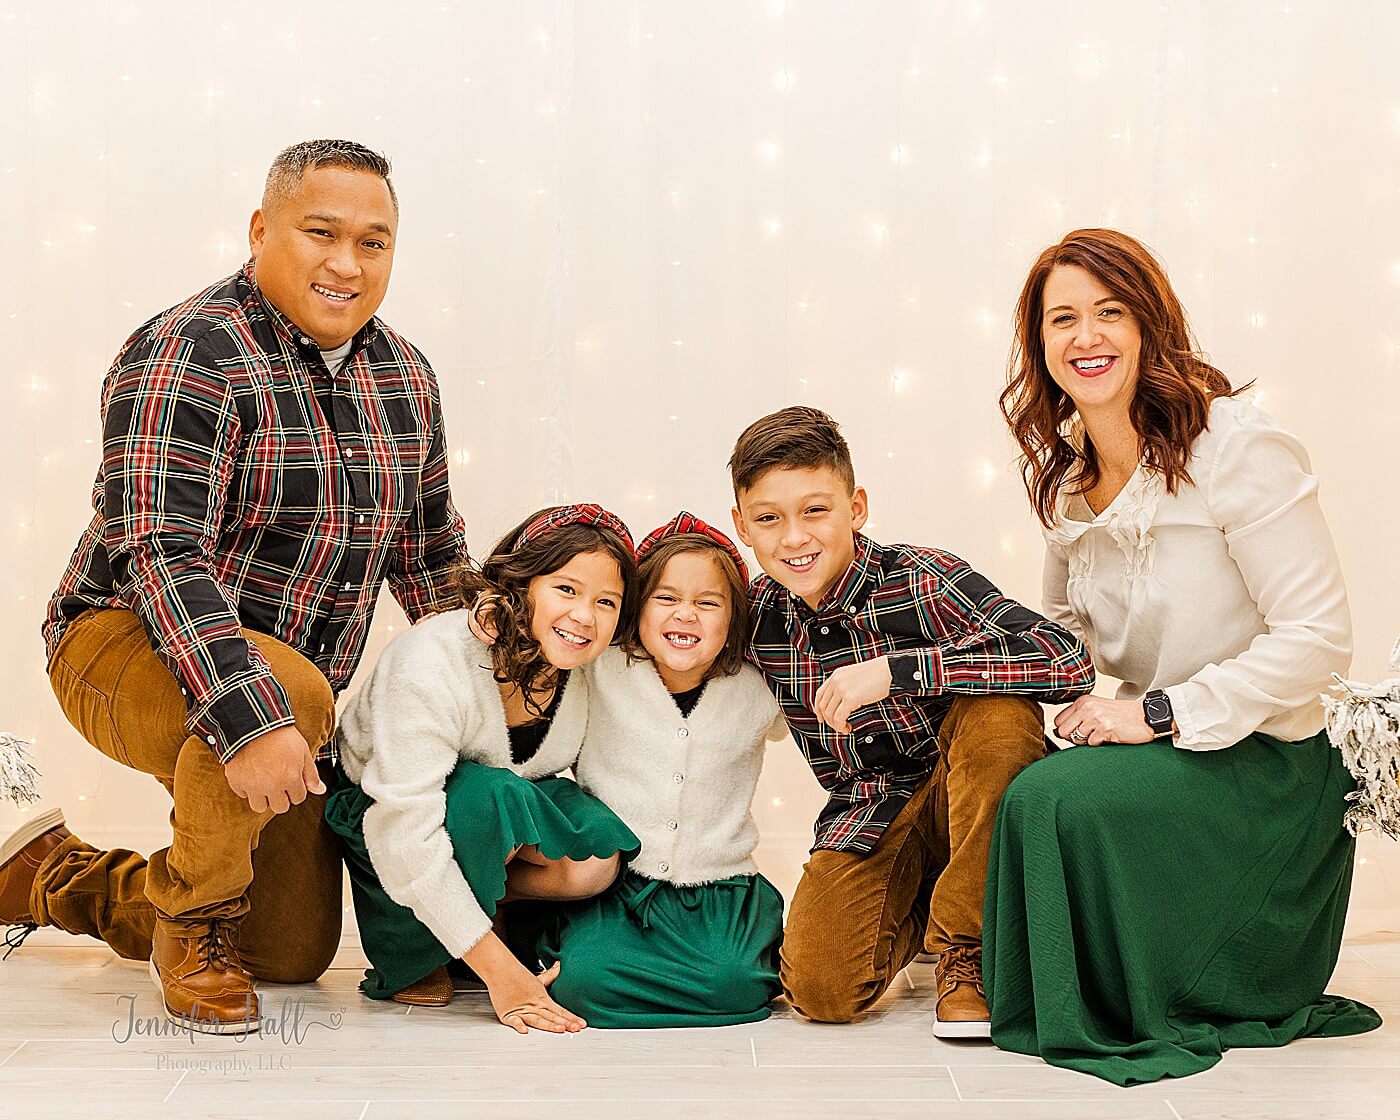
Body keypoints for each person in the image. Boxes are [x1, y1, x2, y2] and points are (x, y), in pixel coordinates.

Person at [0, 139, 469, 1034]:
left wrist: (511, 673)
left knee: (289, 950)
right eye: (321, 232)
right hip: (121, 641)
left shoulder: (407, 376)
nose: (347, 262)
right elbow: (159, 551)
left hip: (295, 698)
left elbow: (431, 557)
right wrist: (247, 714)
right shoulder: (188, 350)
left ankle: (48, 874)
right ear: (261, 231)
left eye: (374, 243)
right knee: (282, 688)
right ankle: (192, 921)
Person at [987, 226, 1383, 1084]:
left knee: (1062, 803)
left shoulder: (1238, 448)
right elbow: (1066, 637)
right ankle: (1066, 993)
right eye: (1062, 320)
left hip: (1266, 759)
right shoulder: (1064, 479)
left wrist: (1154, 713)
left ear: (1150, 325)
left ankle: (1204, 979)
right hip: (1161, 745)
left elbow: (1317, 640)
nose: (1085, 337)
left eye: (1109, 312)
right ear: (1039, 344)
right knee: (1025, 786)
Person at [727, 407, 1094, 1036]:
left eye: (815, 510)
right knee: (820, 991)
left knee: (999, 710)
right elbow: (670, 626)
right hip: (870, 810)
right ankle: (921, 905)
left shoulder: (922, 578)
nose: (794, 538)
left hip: (971, 785)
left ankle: (967, 951)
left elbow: (1068, 660)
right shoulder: (757, 614)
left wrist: (900, 671)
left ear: (856, 506)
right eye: (769, 519)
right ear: (743, 528)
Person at [324, 504, 642, 1035]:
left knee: (597, 852)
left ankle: (477, 911)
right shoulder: (431, 659)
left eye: (605, 601)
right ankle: (418, 945)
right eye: (566, 589)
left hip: (499, 806)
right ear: (520, 586)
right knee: (491, 796)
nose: (585, 615)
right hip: (388, 818)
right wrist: (503, 977)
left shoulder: (587, 667)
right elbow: (401, 829)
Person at [537, 512, 788, 1027]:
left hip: (717, 888)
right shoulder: (597, 669)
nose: (686, 615)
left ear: (733, 620)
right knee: (583, 984)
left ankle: (723, 964)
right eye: (667, 598)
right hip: (617, 885)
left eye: (707, 603)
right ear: (637, 608)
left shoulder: (759, 688)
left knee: (738, 987)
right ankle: (562, 944)